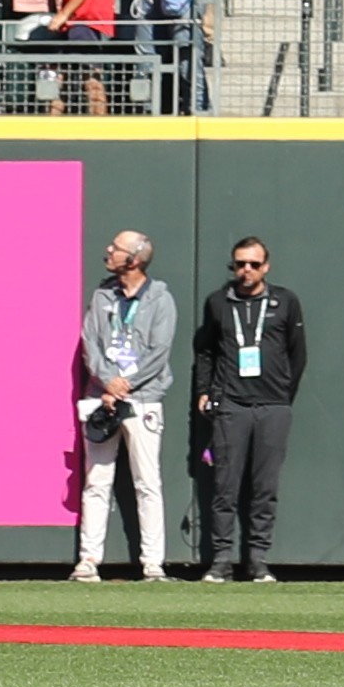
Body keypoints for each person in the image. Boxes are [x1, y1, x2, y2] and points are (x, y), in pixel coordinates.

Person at [187, 230, 309, 582]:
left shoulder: (285, 302)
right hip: (232, 406)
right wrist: (205, 391)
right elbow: (206, 351)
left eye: (254, 264)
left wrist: (284, 393)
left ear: (265, 267)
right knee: (225, 486)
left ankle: (257, 559)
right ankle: (221, 560)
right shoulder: (218, 303)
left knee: (264, 488)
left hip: (273, 406)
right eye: (240, 264)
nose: (246, 270)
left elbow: (297, 352)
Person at [74, 223, 182, 582]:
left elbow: (159, 350)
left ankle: (153, 563)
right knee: (96, 480)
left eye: (116, 248)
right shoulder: (102, 296)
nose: (109, 250)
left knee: (147, 482)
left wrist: (127, 384)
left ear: (133, 260)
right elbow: (90, 342)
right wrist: (108, 382)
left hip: (143, 400)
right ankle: (89, 560)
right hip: (100, 397)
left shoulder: (160, 299)